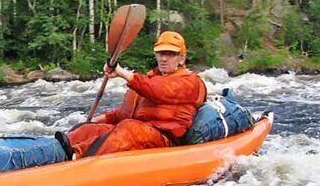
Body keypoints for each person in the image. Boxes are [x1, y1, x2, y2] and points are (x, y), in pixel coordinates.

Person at [57, 31, 207, 158]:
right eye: (160, 53)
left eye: (170, 54)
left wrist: (122, 73)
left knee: (130, 129)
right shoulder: (149, 78)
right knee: (87, 129)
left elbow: (160, 90)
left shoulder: (191, 82)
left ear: (181, 58)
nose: (163, 58)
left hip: (165, 139)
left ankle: (78, 158)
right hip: (139, 131)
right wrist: (99, 119)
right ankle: (55, 152)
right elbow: (125, 113)